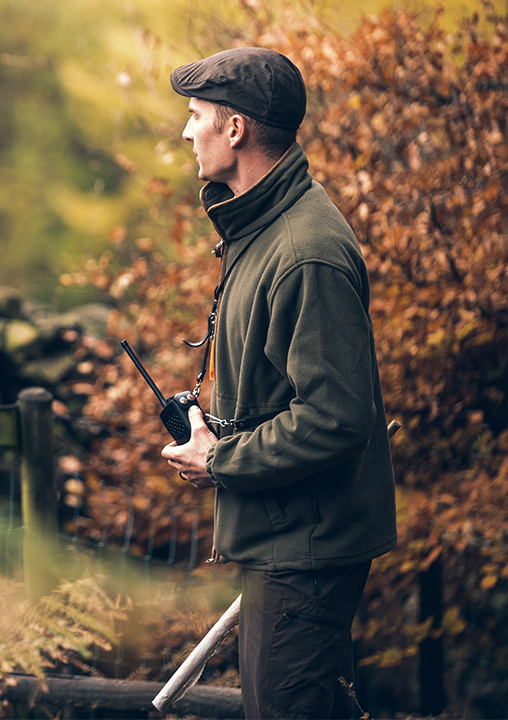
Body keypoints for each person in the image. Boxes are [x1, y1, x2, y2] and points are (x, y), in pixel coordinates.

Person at [160, 47, 397, 719]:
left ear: (234, 129)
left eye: (194, 115)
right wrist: (214, 433)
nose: (186, 131)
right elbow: (281, 390)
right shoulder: (262, 227)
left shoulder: (304, 251)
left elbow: (335, 416)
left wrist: (222, 460)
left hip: (305, 549)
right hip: (286, 533)